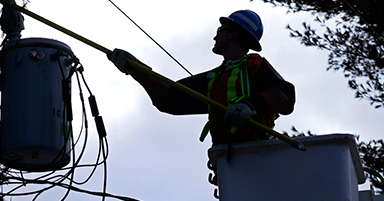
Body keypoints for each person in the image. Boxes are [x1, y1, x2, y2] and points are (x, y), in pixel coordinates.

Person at [107, 10, 295, 145]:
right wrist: (137, 70)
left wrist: (250, 106)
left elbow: (285, 95)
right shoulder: (215, 79)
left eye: (220, 30)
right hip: (228, 161)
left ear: (232, 34)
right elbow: (170, 99)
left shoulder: (254, 66)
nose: (215, 37)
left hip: (260, 153)